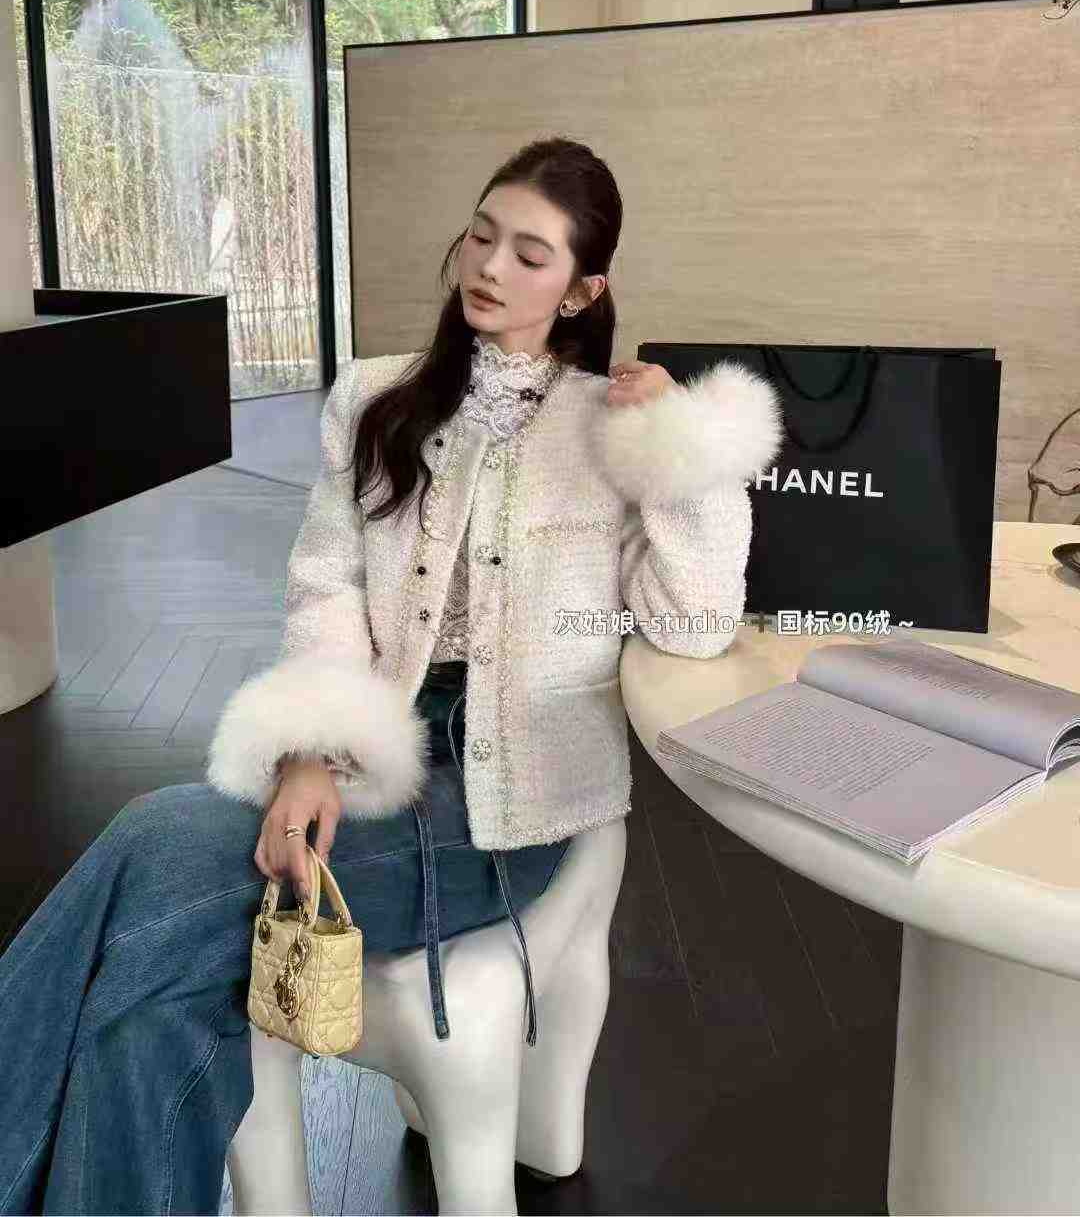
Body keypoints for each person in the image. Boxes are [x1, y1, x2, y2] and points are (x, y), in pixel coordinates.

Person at [0, 135, 783, 1215]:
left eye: (531, 254)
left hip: (511, 802)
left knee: (149, 844)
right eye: (482, 234)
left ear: (581, 289)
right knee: (162, 990)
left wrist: (680, 444)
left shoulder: (614, 425)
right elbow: (326, 587)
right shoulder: (377, 397)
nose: (490, 266)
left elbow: (693, 625)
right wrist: (310, 753)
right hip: (373, 746)